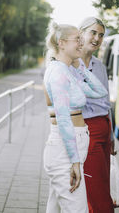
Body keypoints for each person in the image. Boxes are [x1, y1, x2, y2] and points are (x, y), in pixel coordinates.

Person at [43, 23, 108, 213]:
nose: (82, 43)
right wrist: (75, 162)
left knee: (54, 207)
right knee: (77, 209)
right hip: (64, 150)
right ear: (62, 43)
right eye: (77, 40)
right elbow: (63, 119)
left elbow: (100, 91)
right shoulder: (58, 73)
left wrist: (80, 68)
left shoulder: (68, 71)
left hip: (71, 144)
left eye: (81, 39)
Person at [72, 17, 116, 212]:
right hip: (86, 129)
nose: (97, 38)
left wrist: (112, 134)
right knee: (96, 190)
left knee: (102, 182)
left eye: (101, 35)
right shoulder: (70, 64)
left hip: (104, 127)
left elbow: (106, 103)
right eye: (93, 33)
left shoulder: (100, 66)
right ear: (81, 33)